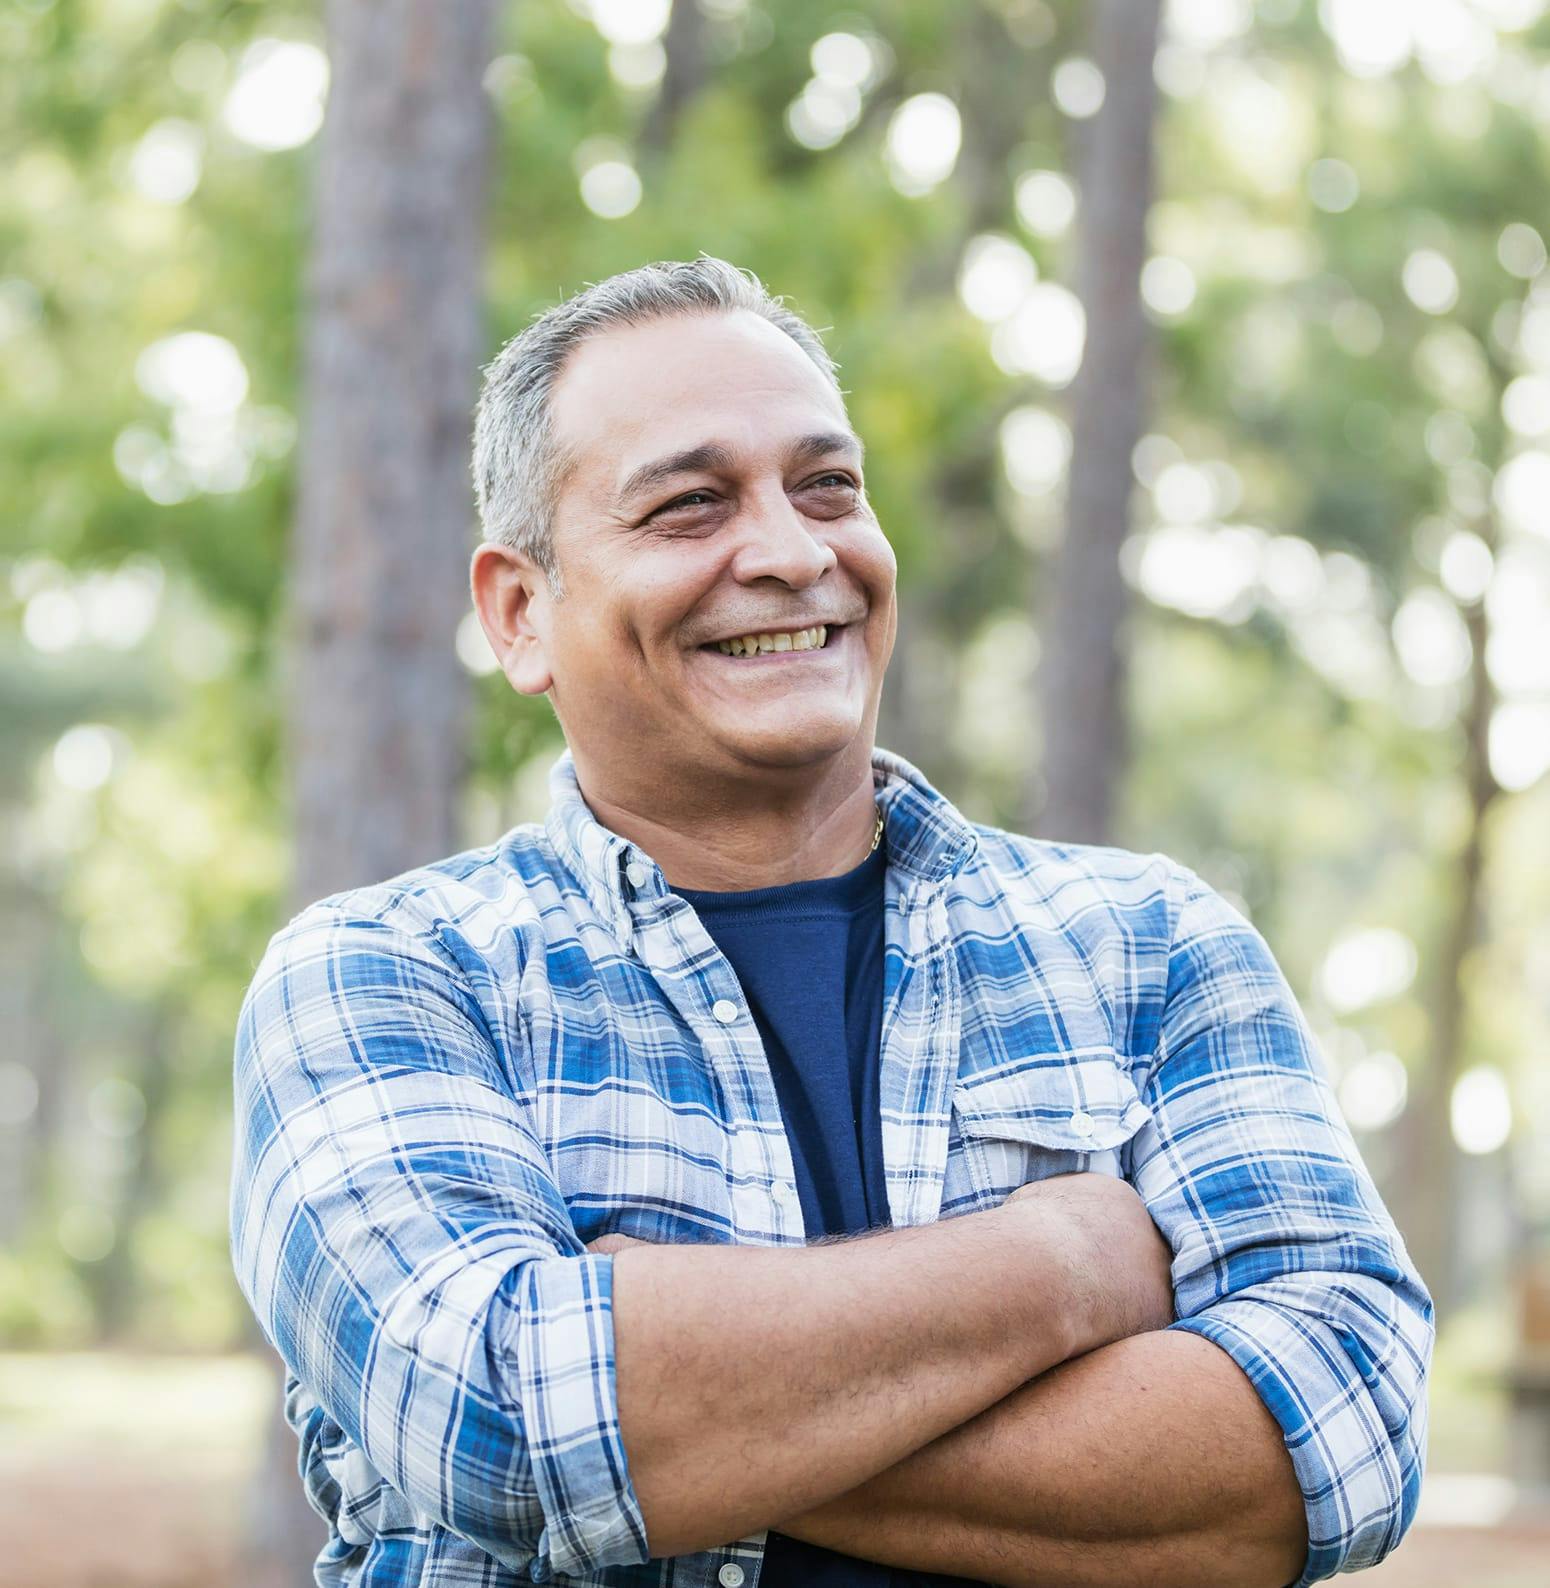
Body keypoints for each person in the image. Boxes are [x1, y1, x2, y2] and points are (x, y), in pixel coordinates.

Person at [230, 257, 1432, 1588]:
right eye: (690, 507)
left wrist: (688, 1388)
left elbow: (1341, 1432)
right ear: (522, 612)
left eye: (827, 488)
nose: (796, 553)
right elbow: (507, 1422)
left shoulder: (1149, 949)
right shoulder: (384, 979)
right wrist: (1068, 1261)